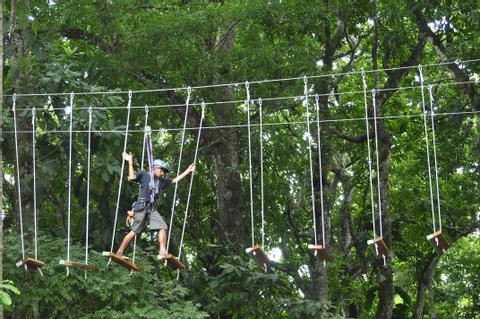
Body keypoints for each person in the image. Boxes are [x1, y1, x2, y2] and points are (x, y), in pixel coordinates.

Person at [116, 151, 195, 259]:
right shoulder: (145, 174)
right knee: (134, 232)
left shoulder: (161, 181)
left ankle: (163, 252)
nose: (162, 173)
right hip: (141, 206)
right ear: (155, 168)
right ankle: (119, 252)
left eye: (163, 171)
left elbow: (174, 180)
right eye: (161, 170)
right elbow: (131, 177)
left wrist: (187, 171)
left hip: (151, 209)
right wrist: (130, 162)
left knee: (163, 227)